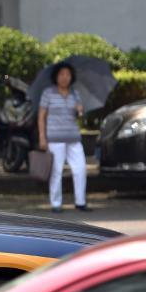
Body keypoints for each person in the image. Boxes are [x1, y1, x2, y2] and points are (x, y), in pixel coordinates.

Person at [37, 61, 87, 213]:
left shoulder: (75, 93)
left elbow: (79, 117)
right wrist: (42, 137)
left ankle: (80, 202)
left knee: (80, 169)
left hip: (73, 138)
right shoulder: (48, 93)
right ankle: (56, 203)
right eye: (61, 74)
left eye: (68, 74)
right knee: (56, 172)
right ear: (56, 76)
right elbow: (41, 116)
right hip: (54, 138)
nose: (65, 77)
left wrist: (80, 111)